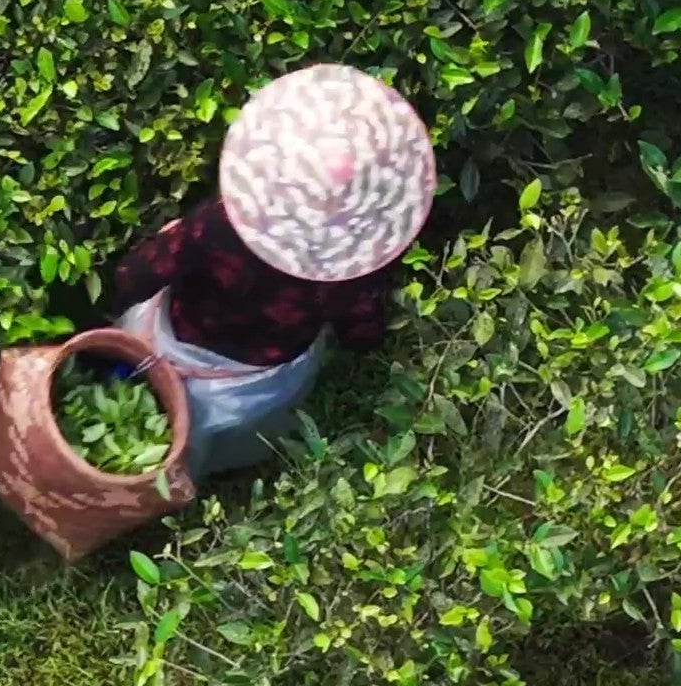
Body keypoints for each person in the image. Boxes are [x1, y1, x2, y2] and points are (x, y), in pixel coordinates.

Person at [100, 63, 436, 477]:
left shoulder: (221, 225)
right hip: (250, 381)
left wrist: (113, 303)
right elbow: (361, 332)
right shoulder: (349, 270)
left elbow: (141, 273)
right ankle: (177, 480)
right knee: (199, 440)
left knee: (121, 397)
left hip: (175, 338)